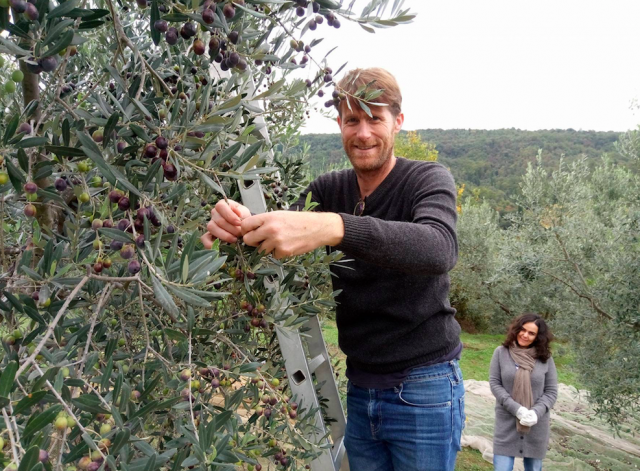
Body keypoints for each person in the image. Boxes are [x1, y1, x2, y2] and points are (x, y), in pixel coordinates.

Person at [201, 67, 464, 471]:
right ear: (339, 123)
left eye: (375, 118)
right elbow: (272, 221)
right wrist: (230, 220)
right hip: (360, 388)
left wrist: (335, 226)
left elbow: (438, 248)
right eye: (352, 120)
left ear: (398, 122)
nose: (363, 133)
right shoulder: (329, 190)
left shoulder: (427, 179)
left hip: (424, 388)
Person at [489, 313, 558, 471]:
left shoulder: (545, 359)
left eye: (531, 333)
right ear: (517, 329)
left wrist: (535, 412)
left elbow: (551, 391)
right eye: (523, 330)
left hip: (536, 425)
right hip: (506, 422)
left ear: (538, 337)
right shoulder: (501, 353)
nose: (525, 335)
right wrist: (517, 409)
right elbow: (495, 384)